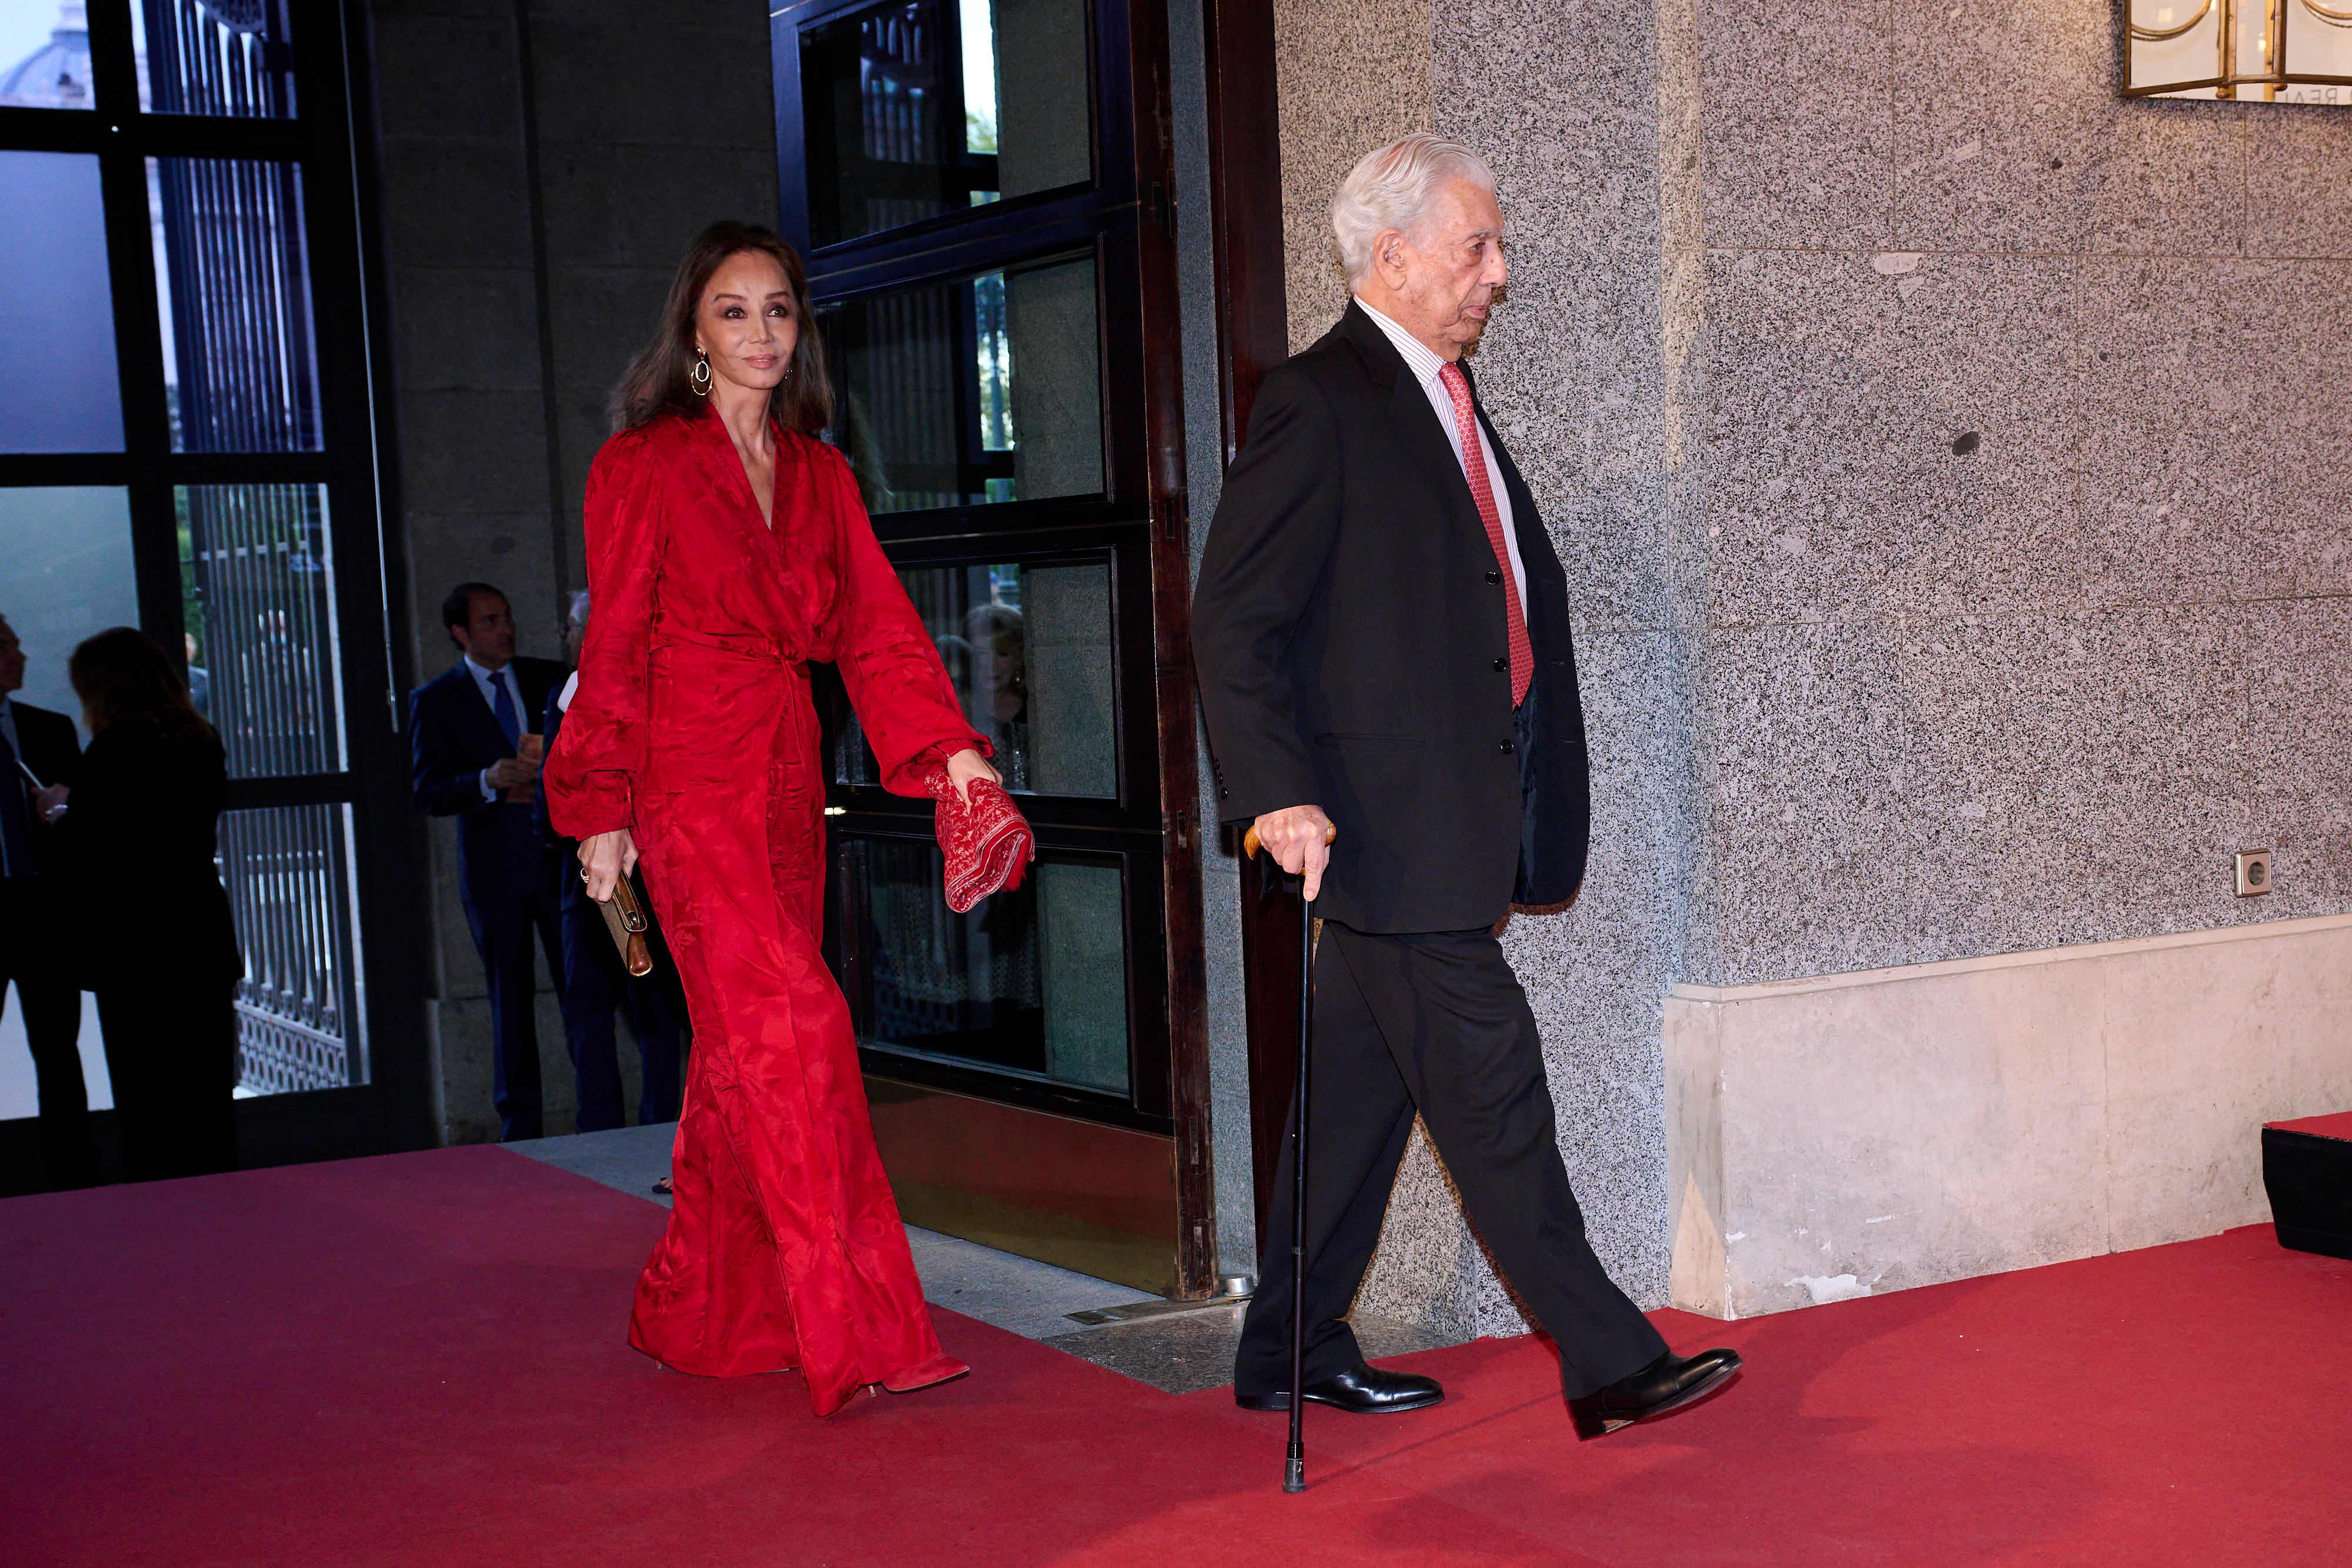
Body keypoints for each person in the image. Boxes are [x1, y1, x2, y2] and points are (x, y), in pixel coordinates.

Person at [1190, 135, 1742, 1439]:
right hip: (1381, 830)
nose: (1496, 271)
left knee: (1355, 1111)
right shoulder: (1319, 400)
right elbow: (1232, 618)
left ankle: (1286, 1345)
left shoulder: (1445, 395)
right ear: (1390, 256)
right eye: (1474, 246)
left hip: (1443, 823)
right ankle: (1604, 1355)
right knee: (1492, 1090)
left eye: (1494, 247)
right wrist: (1276, 790)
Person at [545, 220, 997, 1416]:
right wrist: (601, 809)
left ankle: (706, 1311)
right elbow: (616, 646)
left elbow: (881, 631)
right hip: (686, 782)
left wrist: (949, 753)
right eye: (733, 311)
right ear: (692, 336)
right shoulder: (640, 465)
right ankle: (857, 1323)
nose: (758, 331)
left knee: (747, 1055)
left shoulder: (822, 473)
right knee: (797, 1027)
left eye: (778, 310)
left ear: (800, 334)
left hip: (790, 778)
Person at [48, 628, 241, 1182]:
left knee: (147, 1091)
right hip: (198, 931)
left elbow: (97, 843)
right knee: (205, 1088)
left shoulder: (114, 748)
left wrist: (60, 812)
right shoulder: (200, 738)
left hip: (133, 944)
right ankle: (221, 1198)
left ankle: (160, 1211)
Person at [410, 583, 566, 1142]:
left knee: (585, 990)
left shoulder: (550, 677)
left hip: (557, 862)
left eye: (507, 617)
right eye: (490, 620)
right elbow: (428, 791)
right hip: (494, 873)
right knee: (510, 998)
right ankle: (520, 1126)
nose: (505, 629)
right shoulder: (436, 700)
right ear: (462, 634)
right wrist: (486, 779)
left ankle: (600, 1110)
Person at [533, 590, 689, 1132]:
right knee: (592, 1010)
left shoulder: (665, 685)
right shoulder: (568, 695)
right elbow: (546, 807)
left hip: (660, 877)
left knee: (659, 1013)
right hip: (587, 885)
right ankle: (598, 1133)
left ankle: (663, 1130)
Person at [0, 615, 96, 1189]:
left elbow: (84, 830)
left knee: (59, 1053)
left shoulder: (49, 729)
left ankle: (74, 1177)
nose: (21, 653)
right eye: (5, 645)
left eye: (14, 641)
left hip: (44, 915)